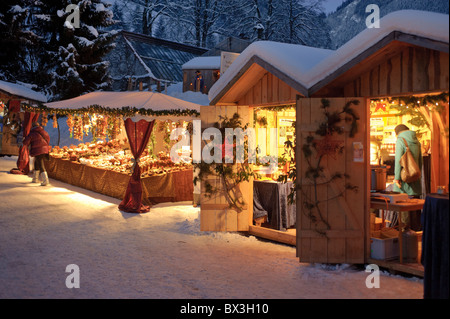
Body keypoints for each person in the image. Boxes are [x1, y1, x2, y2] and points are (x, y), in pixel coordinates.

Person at [393, 124, 423, 230]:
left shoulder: (401, 140)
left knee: (404, 213)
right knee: (416, 212)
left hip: (403, 183)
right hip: (415, 180)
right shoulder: (417, 141)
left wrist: (396, 178)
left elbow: (398, 161)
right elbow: (420, 162)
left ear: (397, 133)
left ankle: (405, 238)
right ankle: (417, 237)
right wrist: (416, 177)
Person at [22, 122, 51, 186]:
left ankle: (45, 180)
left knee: (40, 164)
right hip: (44, 150)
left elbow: (26, 142)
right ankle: (35, 178)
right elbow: (48, 139)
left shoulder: (32, 133)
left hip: (38, 150)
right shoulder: (44, 132)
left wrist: (23, 140)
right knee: (36, 163)